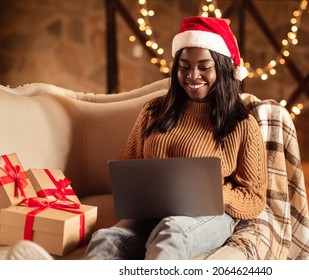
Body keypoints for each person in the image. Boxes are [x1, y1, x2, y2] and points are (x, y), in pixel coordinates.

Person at [4, 15, 267, 260]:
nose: (192, 76)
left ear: (222, 69)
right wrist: (138, 191)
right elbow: (128, 164)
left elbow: (254, 197)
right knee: (108, 238)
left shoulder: (242, 124)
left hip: (209, 214)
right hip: (152, 209)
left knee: (172, 230)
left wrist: (213, 193)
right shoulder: (154, 111)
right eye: (184, 67)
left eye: (204, 67)